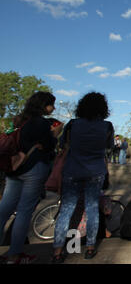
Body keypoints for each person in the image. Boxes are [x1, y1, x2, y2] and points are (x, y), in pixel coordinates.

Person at [0, 92, 62, 264]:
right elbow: (49, 146)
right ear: (44, 105)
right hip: (33, 169)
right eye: (51, 104)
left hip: (15, 168)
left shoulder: (21, 120)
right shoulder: (40, 122)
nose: (53, 108)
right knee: (24, 212)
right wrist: (55, 134)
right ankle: (15, 254)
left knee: (4, 209)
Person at [52, 92, 114, 263]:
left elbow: (63, 145)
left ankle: (57, 251)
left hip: (72, 170)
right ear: (103, 108)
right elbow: (108, 148)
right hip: (95, 171)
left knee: (66, 210)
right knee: (92, 207)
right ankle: (90, 248)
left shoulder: (72, 125)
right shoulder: (107, 126)